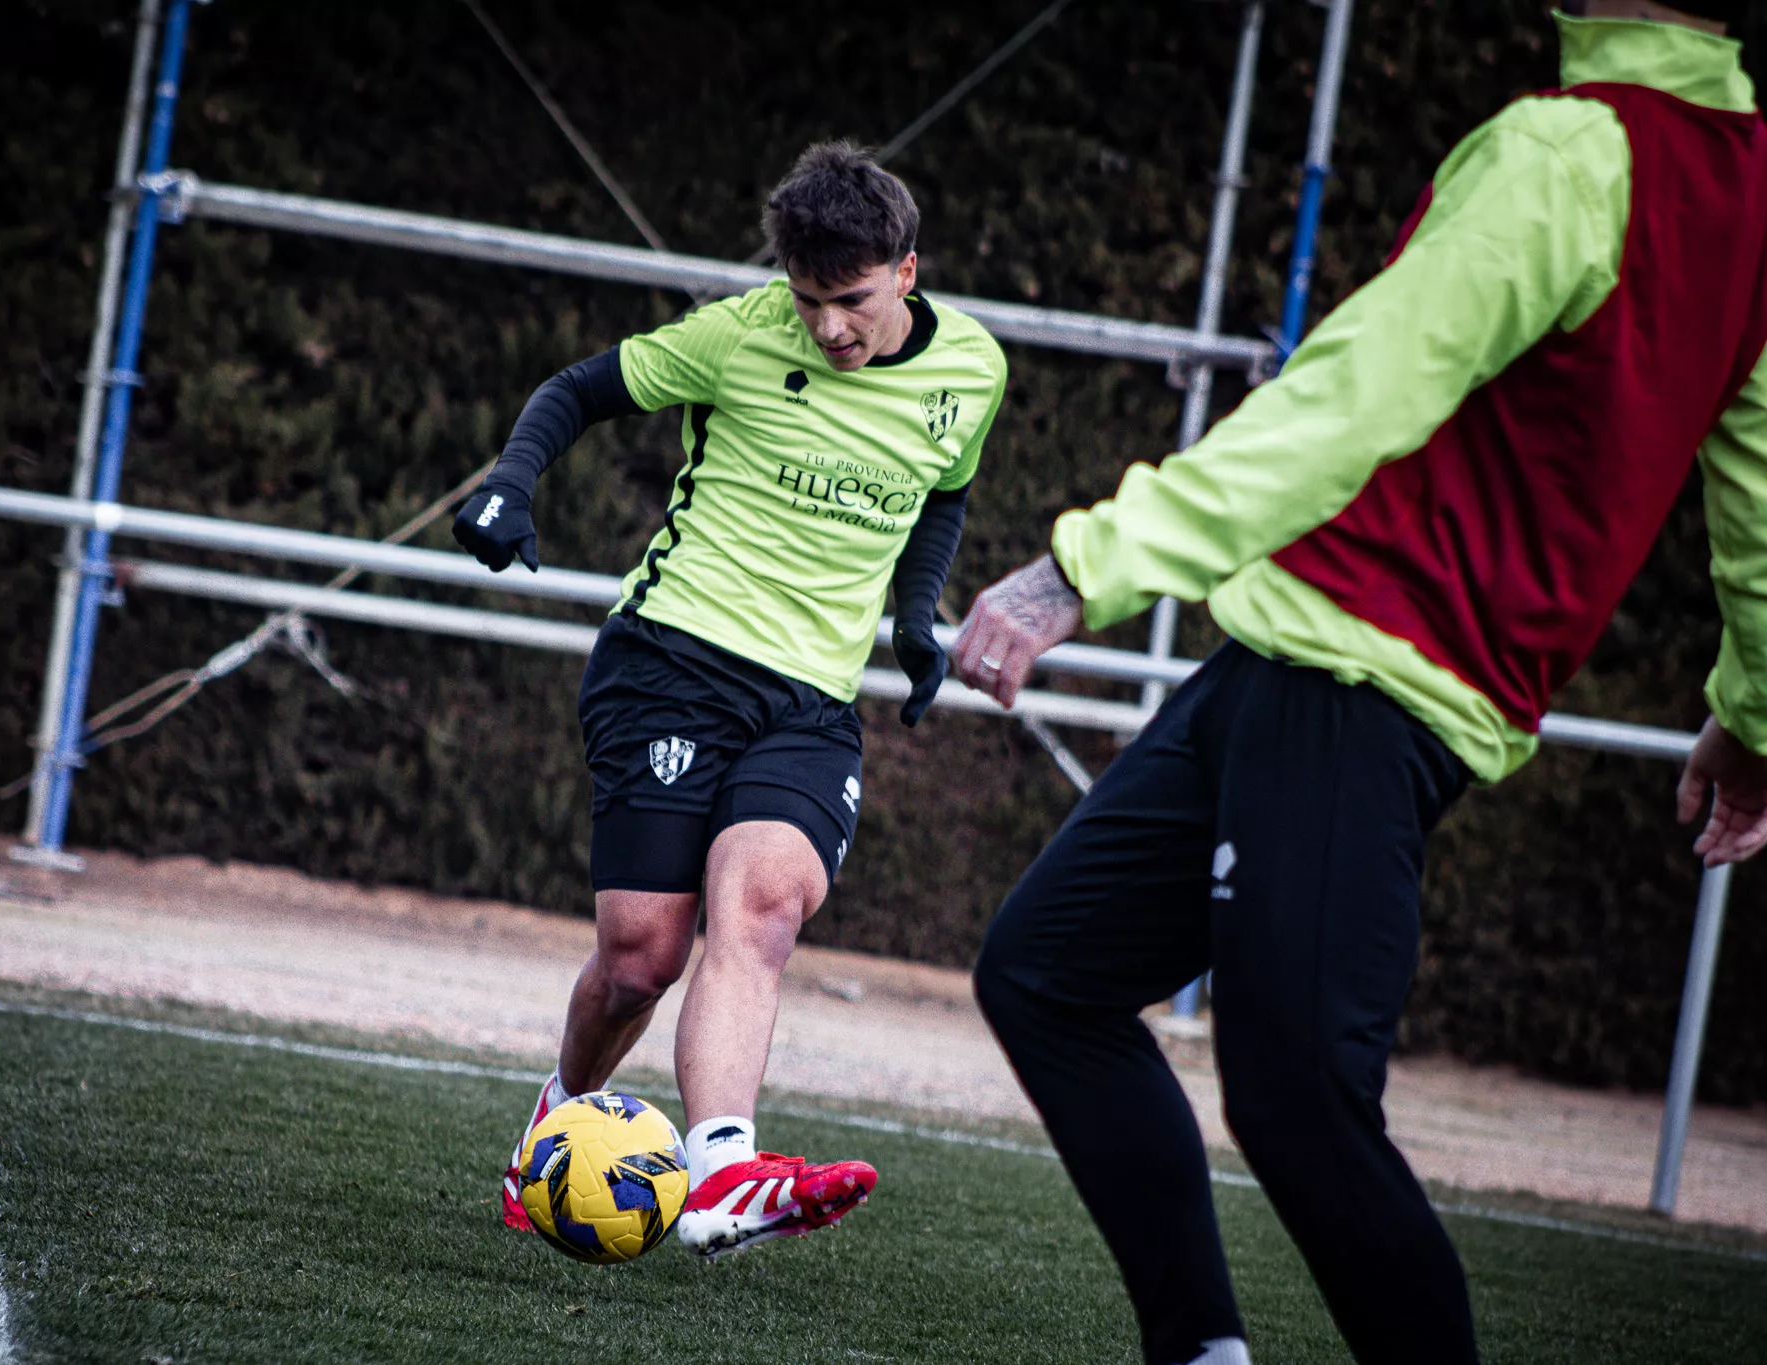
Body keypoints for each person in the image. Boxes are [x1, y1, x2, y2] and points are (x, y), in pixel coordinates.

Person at [950, 3, 1767, 1362]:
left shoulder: (1570, 150)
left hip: (1360, 672)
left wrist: (1085, 567)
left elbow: (1356, 391)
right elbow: (1757, 506)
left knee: (1297, 1099)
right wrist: (1754, 720)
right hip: (1300, 661)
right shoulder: (1751, 191)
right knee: (1048, 973)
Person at [453, 141, 1007, 1256]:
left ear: (907, 271)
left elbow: (940, 493)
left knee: (757, 910)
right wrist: (509, 481)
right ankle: (548, 1131)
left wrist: (915, 617)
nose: (827, 330)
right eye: (809, 302)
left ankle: (719, 1176)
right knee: (638, 961)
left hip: (808, 701)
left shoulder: (974, 372)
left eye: (848, 302)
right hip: (671, 660)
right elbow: (576, 391)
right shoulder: (740, 333)